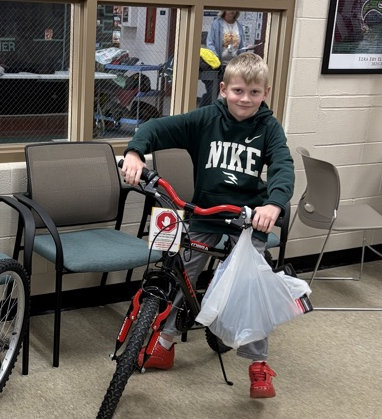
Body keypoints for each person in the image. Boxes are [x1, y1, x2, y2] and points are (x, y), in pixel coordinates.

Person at [121, 52, 294, 399]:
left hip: (248, 218)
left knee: (249, 285)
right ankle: (165, 343)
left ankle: (258, 364)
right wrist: (136, 153)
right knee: (181, 269)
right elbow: (157, 128)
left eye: (254, 93)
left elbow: (282, 166)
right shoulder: (206, 120)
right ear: (224, 90)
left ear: (266, 93)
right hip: (206, 212)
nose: (245, 99)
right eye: (238, 91)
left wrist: (273, 203)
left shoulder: (268, 128)